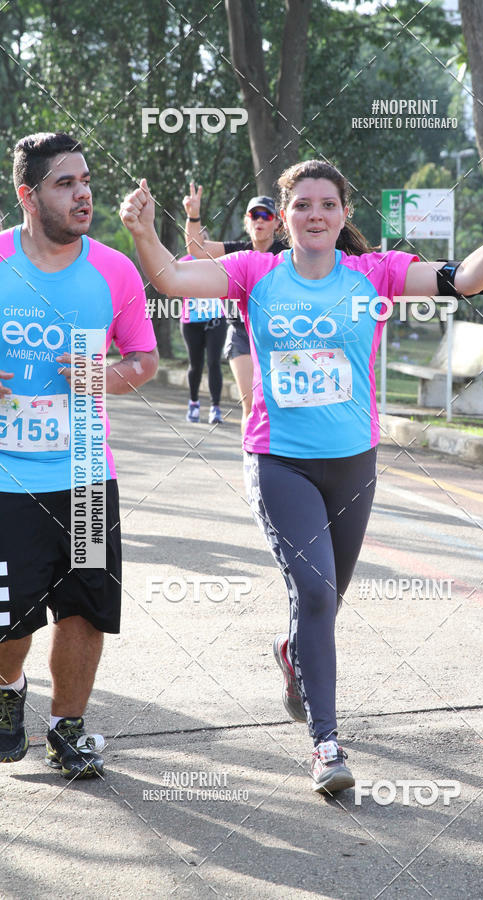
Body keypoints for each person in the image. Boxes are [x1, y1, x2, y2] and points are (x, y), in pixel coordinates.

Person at [120, 159, 483, 794]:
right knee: (315, 594)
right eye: (302, 205)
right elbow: (174, 279)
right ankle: (326, 745)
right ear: (285, 218)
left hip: (353, 463)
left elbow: (468, 279)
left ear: (345, 215)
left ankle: (293, 653)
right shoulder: (253, 272)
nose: (315, 214)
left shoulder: (376, 274)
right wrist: (145, 233)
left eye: (327, 204)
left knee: (325, 600)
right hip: (279, 459)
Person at [0, 132, 158, 779]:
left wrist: (103, 377)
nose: (83, 192)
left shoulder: (114, 270)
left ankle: (69, 728)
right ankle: (9, 693)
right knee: (8, 620)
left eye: (86, 179)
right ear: (28, 194)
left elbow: (143, 359)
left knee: (84, 607)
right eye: (65, 183)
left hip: (90, 477)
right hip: (8, 479)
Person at [182, 182, 286, 431]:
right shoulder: (238, 251)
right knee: (251, 406)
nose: (260, 220)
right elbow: (197, 248)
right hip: (241, 333)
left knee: (279, 408)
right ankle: (250, 464)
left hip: (281, 336)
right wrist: (193, 215)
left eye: (266, 215)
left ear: (277, 224)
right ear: (247, 221)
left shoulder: (288, 254)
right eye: (254, 215)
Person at [179, 254, 227, 425]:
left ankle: (216, 408)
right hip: (191, 322)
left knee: (214, 362)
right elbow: (172, 285)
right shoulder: (184, 262)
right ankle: (194, 403)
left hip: (216, 320)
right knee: (195, 365)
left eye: (203, 239)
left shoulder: (218, 260)